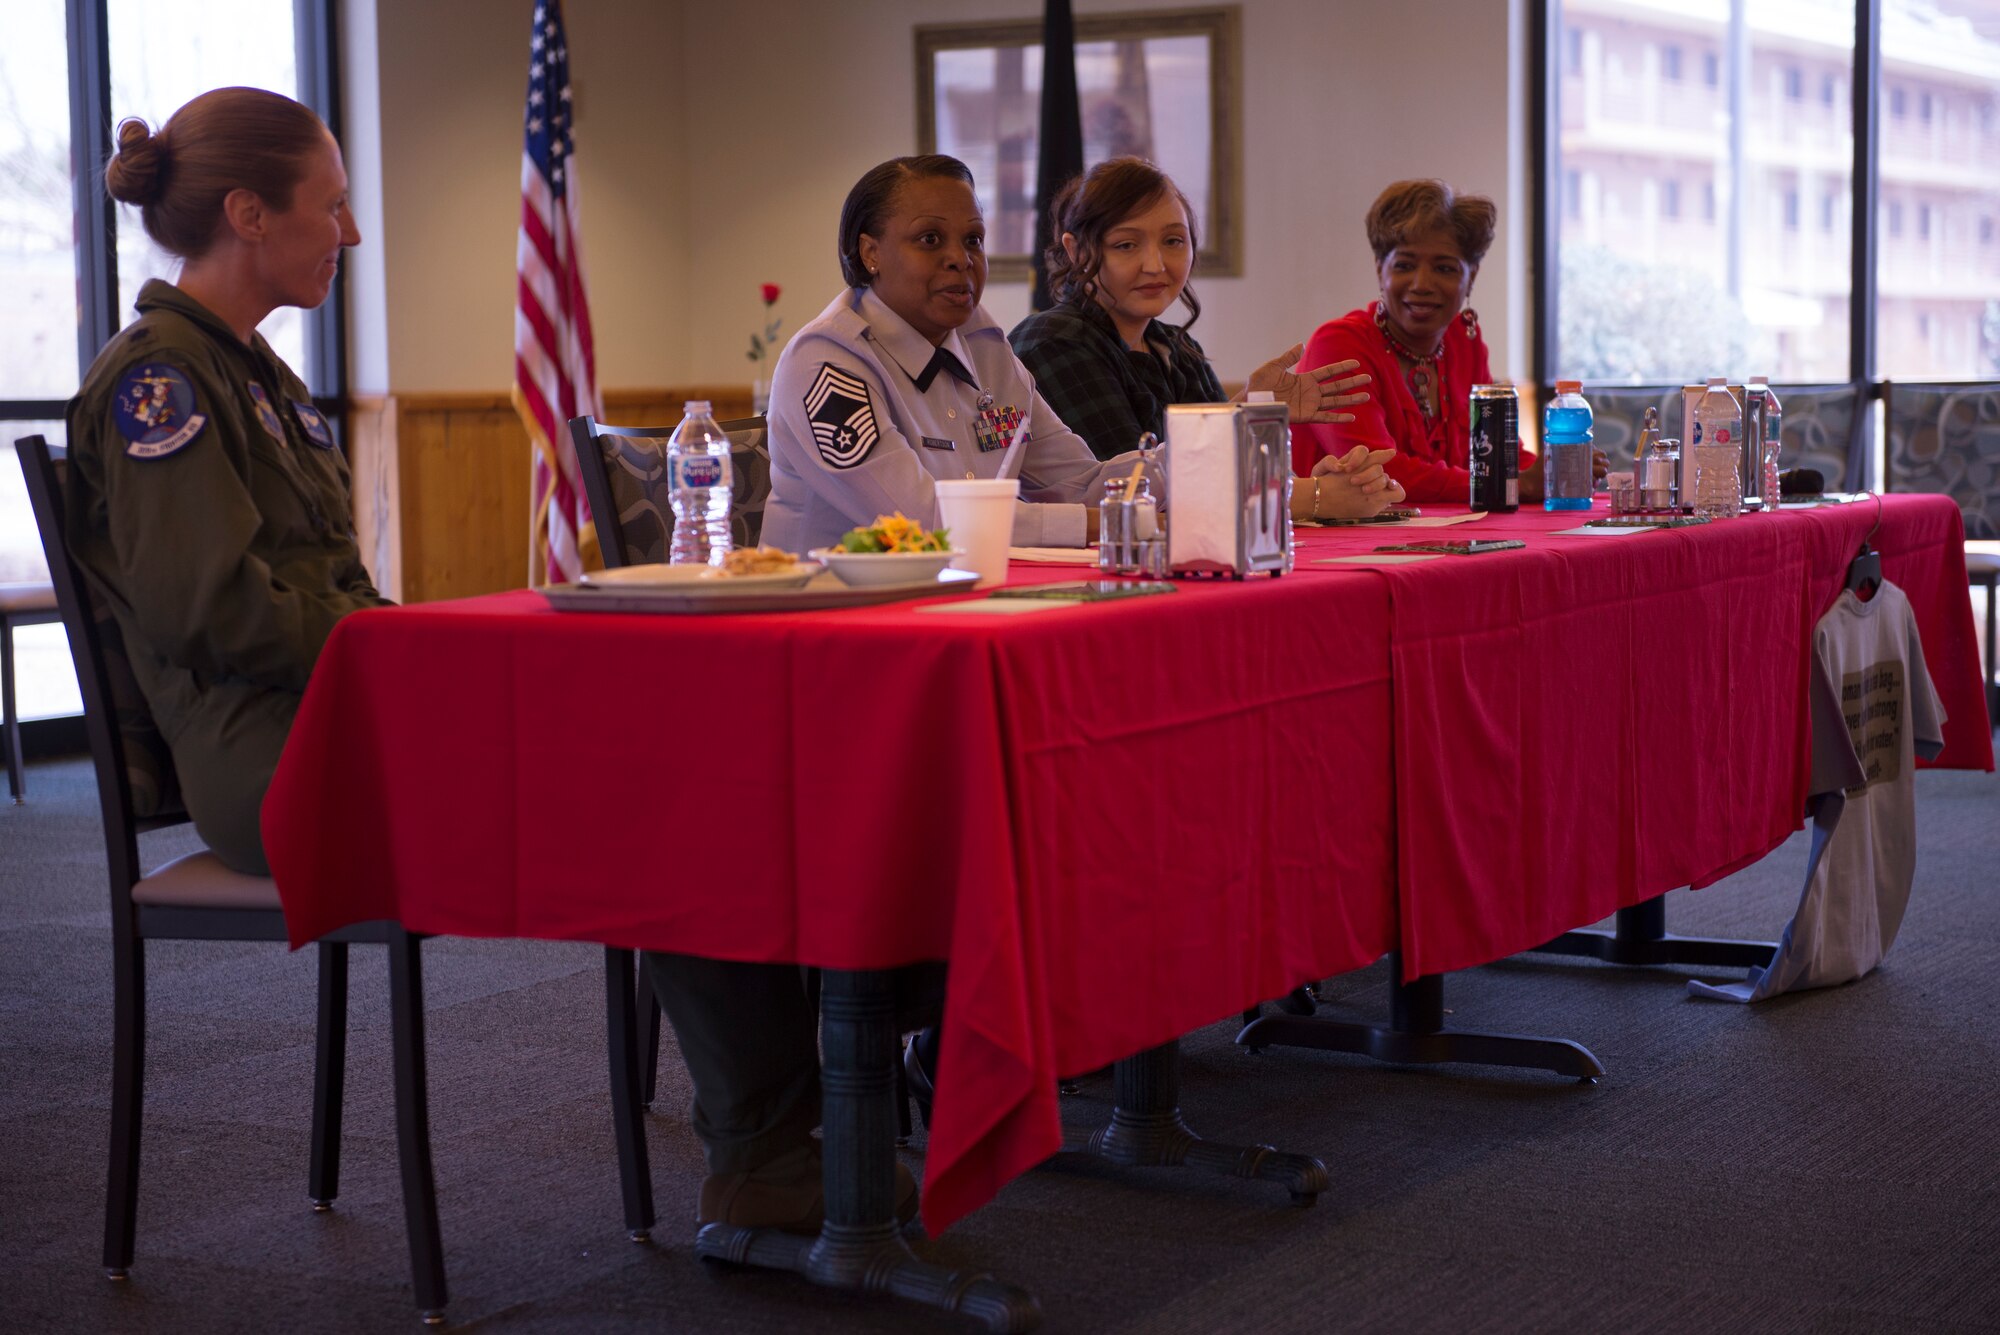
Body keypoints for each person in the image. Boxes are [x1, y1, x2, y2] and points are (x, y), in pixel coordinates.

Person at [66, 87, 382, 875]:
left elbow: (328, 571)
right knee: (588, 782)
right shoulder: (161, 377)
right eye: (333, 204)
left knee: (594, 750)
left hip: (333, 710)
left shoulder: (253, 371)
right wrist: (381, 649)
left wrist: (410, 651)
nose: (352, 232)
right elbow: (207, 606)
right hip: (269, 754)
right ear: (250, 215)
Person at [761, 155, 1159, 555]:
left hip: (959, 598)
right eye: (930, 239)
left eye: (973, 240)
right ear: (870, 253)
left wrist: (1202, 452)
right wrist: (1105, 523)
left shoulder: (985, 350)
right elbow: (923, 521)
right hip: (832, 606)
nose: (961, 258)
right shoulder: (823, 364)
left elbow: (1082, 486)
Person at [1009, 156, 1400, 522]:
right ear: (1075, 250)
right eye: (1126, 245)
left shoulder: (1176, 348)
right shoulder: (1054, 341)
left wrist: (1322, 478)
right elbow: (1133, 494)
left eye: (1173, 241)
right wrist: (1316, 496)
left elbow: (1224, 473)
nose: (1155, 264)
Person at [1291, 179, 1602, 504]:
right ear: (1380, 269)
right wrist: (1514, 483)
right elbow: (1379, 474)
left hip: (1446, 539)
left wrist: (1557, 470)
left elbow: (1498, 454)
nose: (1422, 284)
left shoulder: (1463, 341)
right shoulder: (1339, 345)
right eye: (1405, 266)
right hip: (1344, 546)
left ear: (1472, 276)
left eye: (1444, 268)